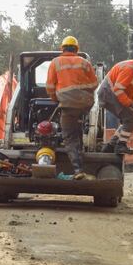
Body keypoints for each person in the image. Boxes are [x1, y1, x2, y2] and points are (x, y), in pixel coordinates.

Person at [45, 36, 99, 180]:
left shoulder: (55, 62)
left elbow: (50, 87)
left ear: (62, 48)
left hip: (67, 106)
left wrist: (56, 98)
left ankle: (78, 170)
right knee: (77, 130)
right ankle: (82, 157)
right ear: (77, 49)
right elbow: (94, 84)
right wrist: (82, 93)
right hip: (84, 105)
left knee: (69, 137)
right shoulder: (85, 62)